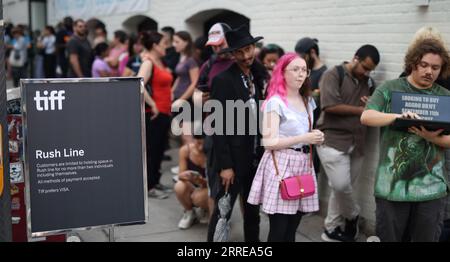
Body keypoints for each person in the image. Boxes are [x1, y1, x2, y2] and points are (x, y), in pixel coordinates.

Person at [361, 37, 450, 242]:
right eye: (424, 65)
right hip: (391, 188)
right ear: (413, 63)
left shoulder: (445, 97)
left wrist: (431, 138)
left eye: (436, 68)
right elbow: (366, 116)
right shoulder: (390, 88)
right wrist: (397, 116)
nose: (429, 72)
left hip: (431, 189)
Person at [248, 53, 323, 242]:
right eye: (295, 69)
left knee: (292, 228)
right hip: (281, 165)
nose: (301, 74)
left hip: (303, 163)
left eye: (304, 70)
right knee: (279, 229)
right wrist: (304, 137)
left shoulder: (307, 100)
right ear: (282, 73)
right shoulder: (275, 102)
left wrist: (316, 137)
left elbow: (305, 132)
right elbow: (269, 142)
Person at [207, 25, 266, 242]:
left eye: (248, 49)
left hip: (253, 159)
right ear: (232, 54)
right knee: (223, 212)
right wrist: (225, 166)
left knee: (252, 212)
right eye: (239, 52)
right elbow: (219, 126)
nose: (245, 55)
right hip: (231, 161)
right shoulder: (224, 80)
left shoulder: (256, 77)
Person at [317, 44, 380, 242]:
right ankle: (353, 216)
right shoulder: (333, 74)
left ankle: (331, 229)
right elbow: (330, 105)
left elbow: (374, 106)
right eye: (365, 67)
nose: (367, 72)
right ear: (355, 58)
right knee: (341, 185)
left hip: (358, 142)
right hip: (332, 140)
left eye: (371, 69)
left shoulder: (369, 82)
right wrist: (361, 109)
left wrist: (371, 103)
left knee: (341, 189)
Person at [195, 22, 234, 220]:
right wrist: (200, 99)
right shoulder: (208, 65)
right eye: (214, 45)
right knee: (214, 183)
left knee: (243, 187)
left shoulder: (242, 60)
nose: (217, 49)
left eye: (221, 44)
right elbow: (196, 95)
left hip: (241, 130)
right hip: (213, 129)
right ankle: (215, 231)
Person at [137, 31, 173, 199]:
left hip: (165, 112)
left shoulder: (160, 61)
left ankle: (155, 181)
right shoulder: (148, 63)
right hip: (154, 114)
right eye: (163, 44)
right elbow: (139, 85)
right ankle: (149, 186)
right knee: (151, 151)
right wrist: (153, 105)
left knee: (159, 150)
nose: (166, 46)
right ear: (154, 46)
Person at [174, 134, 209, 229]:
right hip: (193, 185)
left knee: (198, 197)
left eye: (204, 144)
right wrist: (187, 175)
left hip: (208, 187)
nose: (201, 147)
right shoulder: (186, 150)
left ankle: (207, 209)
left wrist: (201, 181)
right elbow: (180, 176)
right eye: (198, 143)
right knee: (179, 186)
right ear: (193, 140)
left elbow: (215, 182)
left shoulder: (212, 152)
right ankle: (189, 212)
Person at [172, 31, 200, 144]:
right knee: (183, 136)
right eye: (174, 41)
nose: (174, 44)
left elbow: (195, 82)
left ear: (186, 42)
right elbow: (179, 77)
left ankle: (192, 160)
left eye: (177, 41)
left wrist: (182, 99)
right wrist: (172, 91)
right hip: (179, 100)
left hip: (186, 102)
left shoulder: (191, 60)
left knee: (187, 137)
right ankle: (186, 160)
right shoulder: (182, 58)